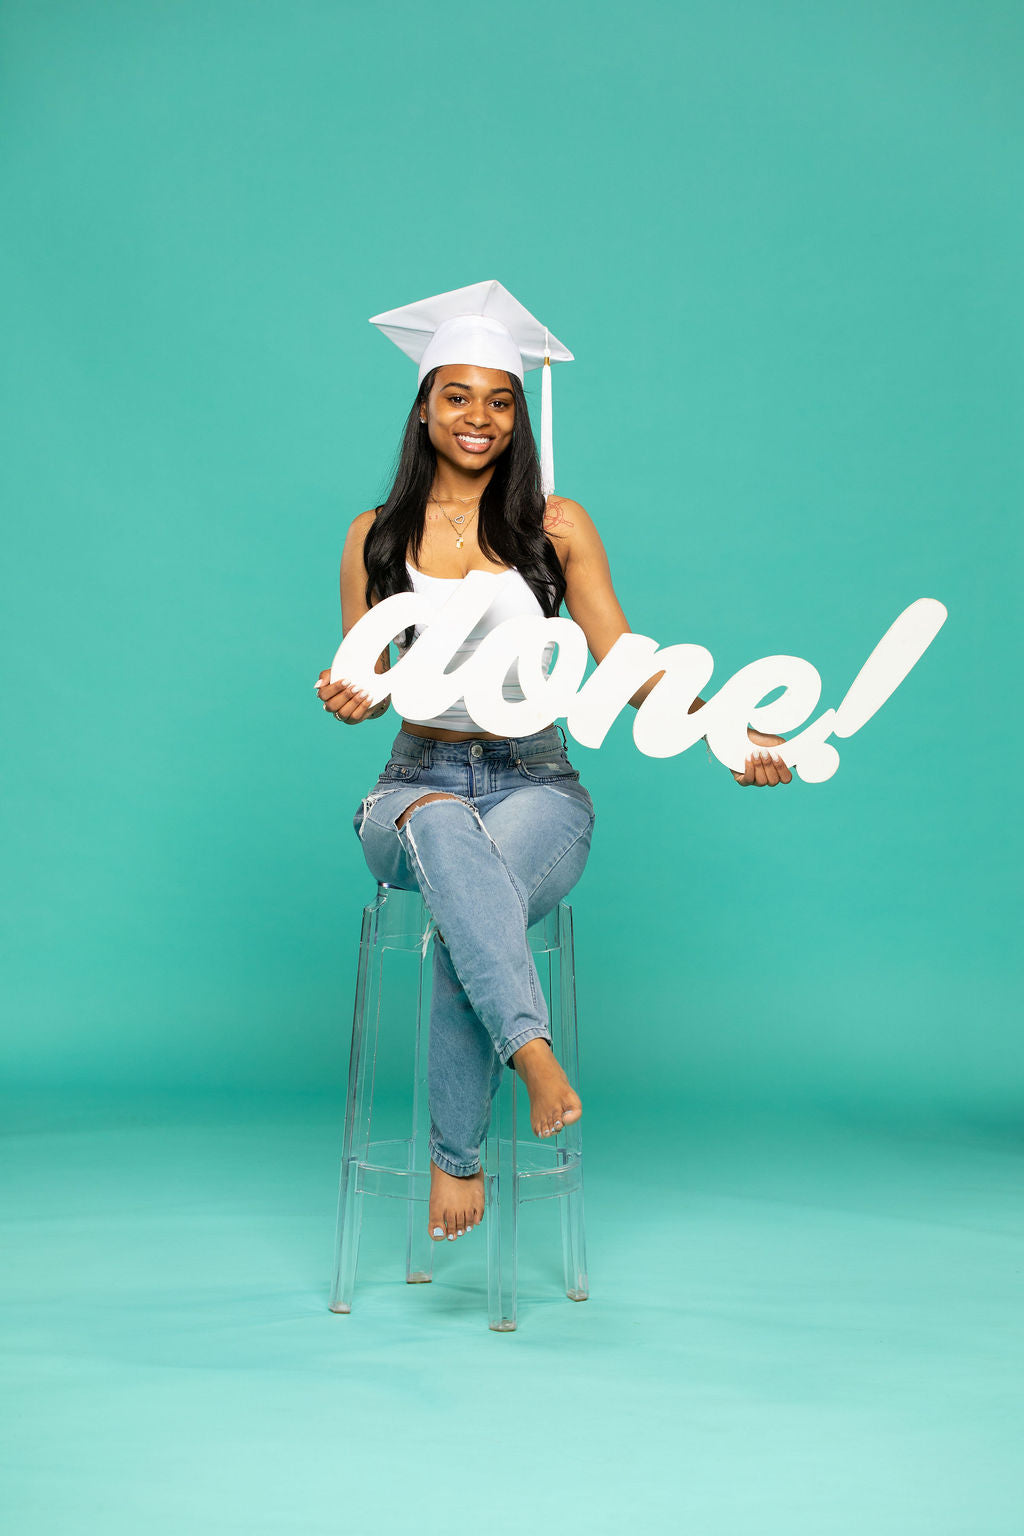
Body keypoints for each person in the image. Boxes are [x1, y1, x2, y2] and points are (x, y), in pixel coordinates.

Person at [315, 281, 792, 1247]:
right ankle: (532, 1057)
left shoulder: (557, 525)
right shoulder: (375, 536)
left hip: (538, 785)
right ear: (423, 404)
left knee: (466, 902)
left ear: (519, 413)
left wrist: (730, 734)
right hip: (412, 785)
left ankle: (459, 1154)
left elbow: (628, 664)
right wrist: (349, 693)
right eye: (457, 396)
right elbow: (363, 675)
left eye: (500, 400)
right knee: (444, 832)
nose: (478, 418)